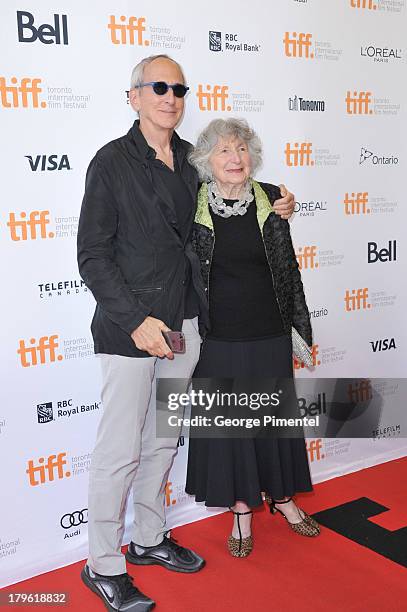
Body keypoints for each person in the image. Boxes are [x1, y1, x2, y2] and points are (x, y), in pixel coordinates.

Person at [77, 55, 296, 610]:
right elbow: (93, 255)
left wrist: (281, 198)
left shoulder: (190, 166)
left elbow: (238, 183)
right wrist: (134, 320)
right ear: (134, 96)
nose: (169, 96)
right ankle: (103, 563)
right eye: (158, 87)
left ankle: (149, 538)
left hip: (184, 329)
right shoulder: (111, 162)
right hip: (130, 331)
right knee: (119, 448)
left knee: (161, 441)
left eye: (178, 88)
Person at [186, 117, 320, 559]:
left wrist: (299, 325)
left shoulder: (271, 198)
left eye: (241, 149)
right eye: (224, 150)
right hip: (220, 336)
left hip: (269, 331)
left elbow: (287, 265)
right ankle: (242, 509)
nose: (235, 158)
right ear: (207, 159)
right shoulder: (192, 203)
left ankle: (282, 499)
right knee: (231, 428)